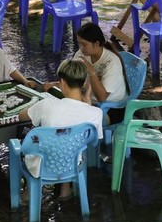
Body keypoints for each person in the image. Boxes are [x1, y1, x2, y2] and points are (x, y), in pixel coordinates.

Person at [19, 59, 103, 201]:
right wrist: (87, 102)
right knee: (69, 145)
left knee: (29, 144)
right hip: (72, 164)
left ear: (62, 82)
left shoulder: (47, 104)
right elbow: (94, 141)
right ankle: (65, 191)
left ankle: (29, 193)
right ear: (83, 83)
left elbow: (22, 116)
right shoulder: (95, 113)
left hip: (41, 166)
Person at [74, 22, 129, 124]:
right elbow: (73, 79)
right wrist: (55, 84)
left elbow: (102, 98)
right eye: (79, 43)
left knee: (75, 120)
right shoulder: (81, 54)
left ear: (97, 43)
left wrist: (91, 72)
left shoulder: (111, 62)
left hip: (111, 108)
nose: (81, 48)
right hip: (89, 101)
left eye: (84, 44)